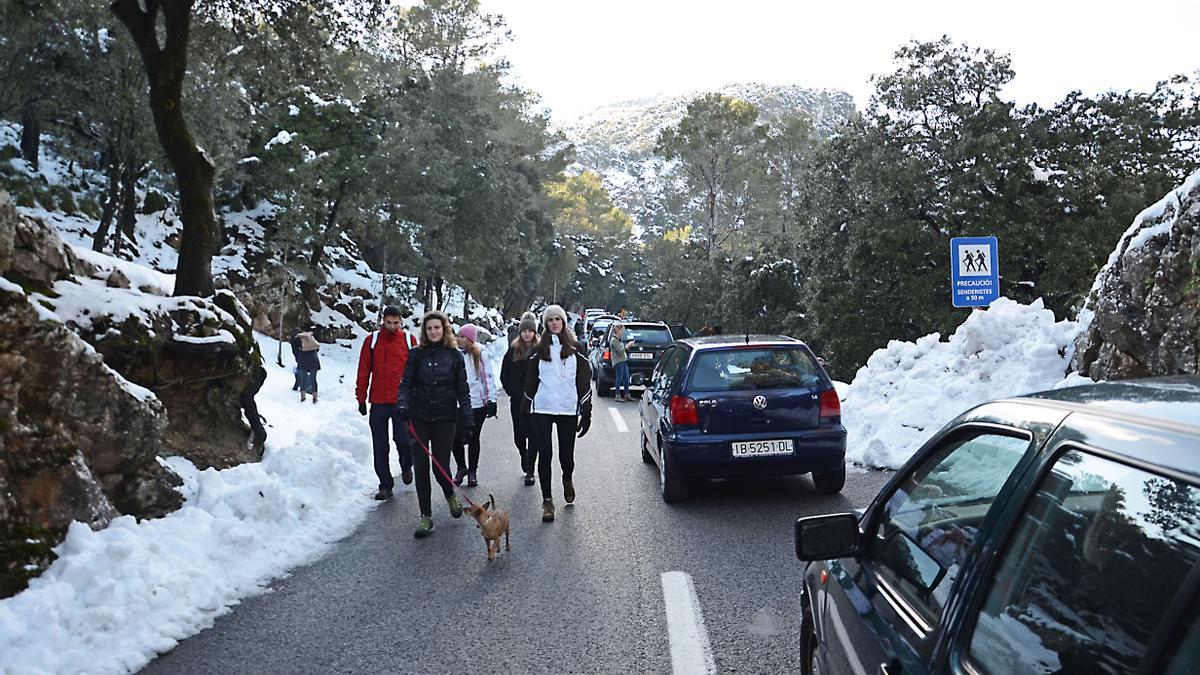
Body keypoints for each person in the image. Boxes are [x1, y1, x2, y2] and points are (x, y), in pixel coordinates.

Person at [397, 310, 472, 538]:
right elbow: (405, 384)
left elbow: (463, 390)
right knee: (420, 467)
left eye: (437, 328)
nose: (433, 331)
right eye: (429, 328)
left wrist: (468, 418)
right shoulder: (415, 355)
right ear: (425, 332)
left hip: (445, 417)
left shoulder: (455, 356)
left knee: (440, 466)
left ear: (444, 329)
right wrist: (403, 404)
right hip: (419, 416)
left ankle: (449, 493)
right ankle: (426, 516)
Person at [522, 304, 593, 523]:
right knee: (545, 455)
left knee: (566, 456)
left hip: (567, 409)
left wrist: (586, 410)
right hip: (543, 408)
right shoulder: (537, 350)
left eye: (557, 319)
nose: (554, 323)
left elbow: (584, 380)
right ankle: (547, 501)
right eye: (550, 320)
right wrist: (525, 408)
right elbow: (530, 381)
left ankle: (567, 477)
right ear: (545, 324)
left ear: (563, 322)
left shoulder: (576, 349)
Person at [356, 306, 418, 500]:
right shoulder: (372, 341)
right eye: (388, 323)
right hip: (378, 401)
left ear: (401, 321)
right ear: (383, 321)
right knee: (380, 445)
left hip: (401, 401)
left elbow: (416, 371)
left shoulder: (409, 340)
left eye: (395, 323)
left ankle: (406, 465)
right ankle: (385, 484)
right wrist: (361, 397)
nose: (392, 326)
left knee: (403, 440)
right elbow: (364, 370)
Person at [447, 323, 498, 488]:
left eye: (463, 337)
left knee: (473, 436)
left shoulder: (479, 354)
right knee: (455, 437)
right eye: (458, 336)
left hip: (477, 403)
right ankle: (461, 467)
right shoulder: (452, 354)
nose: (459, 339)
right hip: (457, 403)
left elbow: (488, 378)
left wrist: (492, 400)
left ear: (470, 339)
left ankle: (472, 472)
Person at [501, 312, 539, 486]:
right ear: (520, 332)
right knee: (519, 436)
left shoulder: (540, 350)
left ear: (535, 332)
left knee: (534, 435)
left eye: (530, 331)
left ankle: (530, 469)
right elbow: (504, 374)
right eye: (524, 331)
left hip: (536, 401)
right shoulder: (513, 349)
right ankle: (523, 455)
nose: (527, 334)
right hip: (517, 400)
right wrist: (512, 391)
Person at [292, 327, 320, 403]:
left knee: (303, 378)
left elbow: (295, 352)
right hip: (314, 359)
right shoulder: (309, 336)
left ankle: (303, 397)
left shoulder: (295, 339)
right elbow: (317, 348)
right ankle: (315, 398)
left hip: (303, 360)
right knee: (313, 379)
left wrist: (298, 359)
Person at [609, 323, 634, 401]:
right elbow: (620, 351)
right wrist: (627, 346)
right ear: (618, 331)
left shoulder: (619, 340)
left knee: (626, 378)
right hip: (618, 361)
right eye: (622, 331)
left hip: (623, 360)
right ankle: (617, 395)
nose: (622, 333)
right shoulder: (613, 340)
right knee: (619, 378)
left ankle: (627, 394)